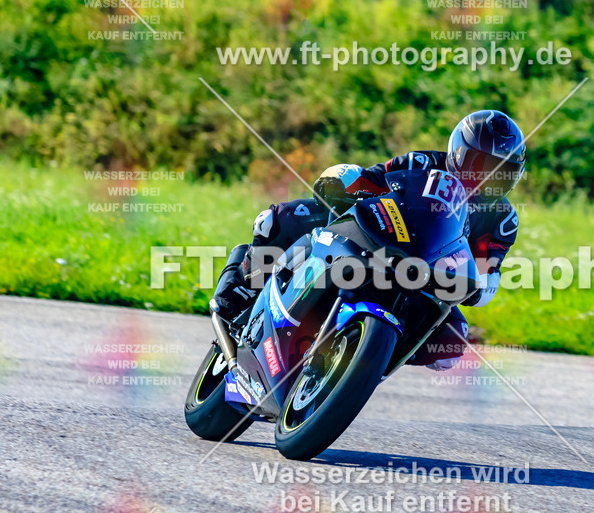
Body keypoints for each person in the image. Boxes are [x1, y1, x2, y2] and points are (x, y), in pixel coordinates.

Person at [211, 109, 525, 370]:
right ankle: (239, 288)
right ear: (457, 153)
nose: (487, 179)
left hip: (423, 281)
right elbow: (373, 180)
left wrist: (479, 285)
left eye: (501, 172)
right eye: (480, 165)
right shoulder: (422, 163)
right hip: (377, 239)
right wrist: (348, 183)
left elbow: (488, 269)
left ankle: (365, 359)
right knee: (281, 219)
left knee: (454, 342)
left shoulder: (502, 220)